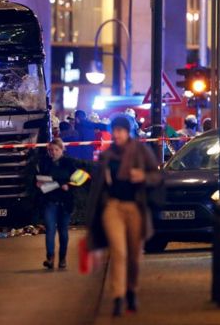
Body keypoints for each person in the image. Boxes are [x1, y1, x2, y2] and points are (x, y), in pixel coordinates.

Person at [86, 116, 162, 317]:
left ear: (128, 132)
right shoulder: (107, 155)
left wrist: (144, 177)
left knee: (134, 255)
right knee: (119, 252)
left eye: (121, 130)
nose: (118, 134)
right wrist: (91, 219)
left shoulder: (141, 151)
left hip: (135, 208)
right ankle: (118, 297)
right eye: (115, 130)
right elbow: (97, 188)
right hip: (113, 207)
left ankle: (131, 290)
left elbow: (157, 176)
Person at [36, 138, 89, 270]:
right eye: (51, 150)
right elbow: (37, 178)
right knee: (50, 230)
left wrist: (67, 185)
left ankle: (63, 258)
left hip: (65, 202)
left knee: (63, 231)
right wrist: (38, 183)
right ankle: (50, 257)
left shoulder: (69, 163)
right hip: (50, 201)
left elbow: (79, 179)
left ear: (62, 150)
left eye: (56, 149)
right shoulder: (44, 164)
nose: (53, 152)